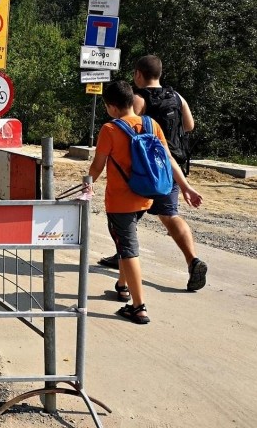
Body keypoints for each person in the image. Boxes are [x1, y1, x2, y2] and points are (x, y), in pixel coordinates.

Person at [87, 80, 203, 324]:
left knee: (128, 248)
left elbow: (97, 165)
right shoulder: (151, 124)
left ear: (111, 107)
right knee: (124, 241)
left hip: (120, 201)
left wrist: (88, 184)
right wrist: (186, 187)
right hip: (146, 196)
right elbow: (169, 159)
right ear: (132, 101)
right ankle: (122, 285)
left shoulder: (109, 129)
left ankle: (138, 307)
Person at [98, 55, 208, 292]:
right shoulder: (177, 97)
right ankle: (192, 260)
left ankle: (125, 267)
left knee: (127, 220)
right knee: (170, 215)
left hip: (142, 169)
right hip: (170, 168)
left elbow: (127, 125)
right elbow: (189, 125)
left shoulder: (138, 99)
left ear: (138, 74)